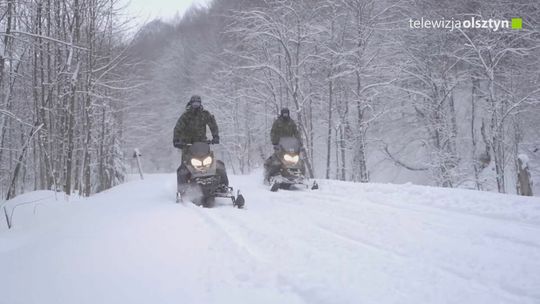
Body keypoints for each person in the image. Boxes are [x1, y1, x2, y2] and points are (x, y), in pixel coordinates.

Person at [173, 95, 227, 191]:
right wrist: (176, 140)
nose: (196, 105)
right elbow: (178, 128)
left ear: (200, 103)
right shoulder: (186, 116)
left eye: (198, 103)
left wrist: (215, 136)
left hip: (202, 144)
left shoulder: (204, 114)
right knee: (183, 168)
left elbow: (213, 124)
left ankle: (223, 186)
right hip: (188, 145)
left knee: (218, 165)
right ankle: (183, 189)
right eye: (194, 103)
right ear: (191, 103)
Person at [264, 107, 302, 183]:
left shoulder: (291, 123)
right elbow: (273, 132)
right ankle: (270, 174)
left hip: (290, 145)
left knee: (298, 160)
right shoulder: (277, 122)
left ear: (288, 114)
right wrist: (274, 142)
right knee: (276, 160)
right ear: (282, 114)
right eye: (284, 114)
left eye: (286, 114)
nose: (285, 115)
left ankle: (299, 174)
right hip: (279, 145)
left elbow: (296, 132)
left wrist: (299, 142)